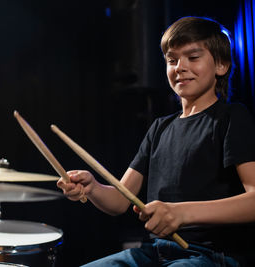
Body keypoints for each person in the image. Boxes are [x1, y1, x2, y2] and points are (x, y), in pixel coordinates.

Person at [57, 16, 255, 267]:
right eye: (172, 60)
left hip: (211, 255)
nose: (180, 67)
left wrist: (181, 213)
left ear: (222, 65)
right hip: (155, 252)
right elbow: (120, 200)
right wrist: (92, 187)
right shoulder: (160, 128)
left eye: (193, 58)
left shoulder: (232, 117)